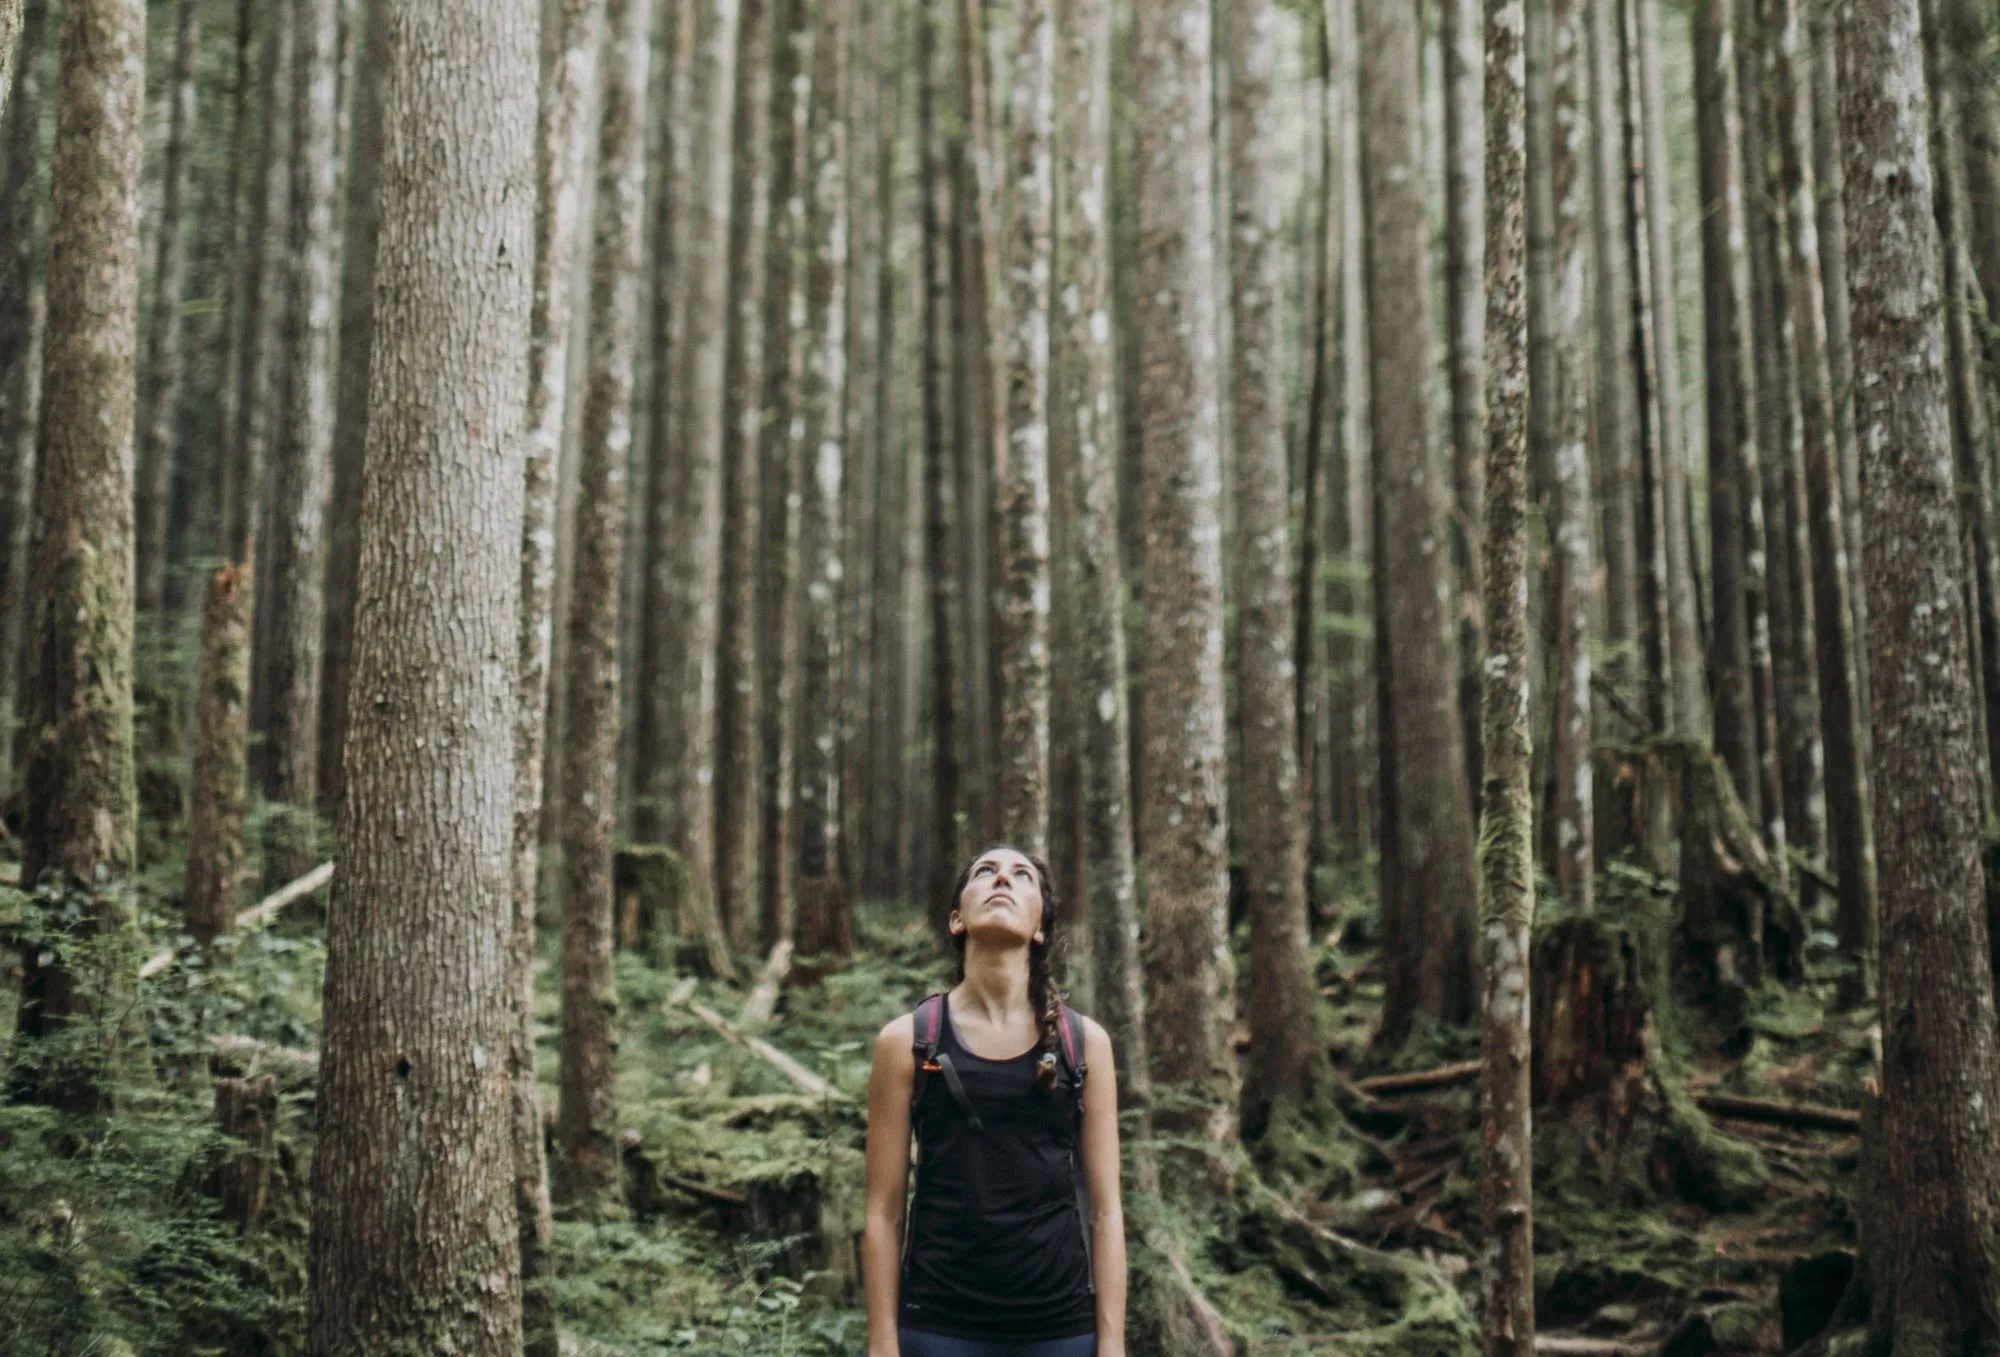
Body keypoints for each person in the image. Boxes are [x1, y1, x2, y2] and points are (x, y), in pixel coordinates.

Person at [863, 846, 1128, 1357]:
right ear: (957, 918)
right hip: (939, 1325)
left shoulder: (1084, 1043)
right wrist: (882, 1342)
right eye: (985, 872)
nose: (1002, 879)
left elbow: (1106, 1211)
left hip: (1060, 1327)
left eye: (1021, 875)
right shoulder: (908, 1042)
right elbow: (882, 1212)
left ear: (1040, 929)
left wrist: (1112, 1342)